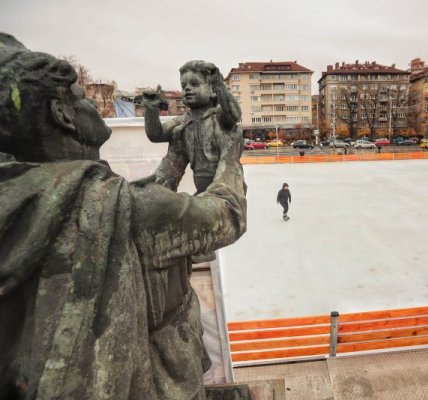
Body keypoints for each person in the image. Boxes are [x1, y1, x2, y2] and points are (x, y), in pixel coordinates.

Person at [0, 33, 246, 400]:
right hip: (156, 379)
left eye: (195, 85)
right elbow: (227, 214)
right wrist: (230, 158)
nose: (92, 105)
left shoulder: (17, 193)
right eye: (82, 97)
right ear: (62, 114)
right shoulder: (122, 207)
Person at [143, 60, 241, 195]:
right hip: (203, 192)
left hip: (227, 190)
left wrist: (219, 84)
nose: (187, 88)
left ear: (212, 90)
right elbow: (155, 135)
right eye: (184, 86)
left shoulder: (218, 117)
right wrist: (151, 110)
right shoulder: (183, 121)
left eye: (194, 84)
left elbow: (233, 114)